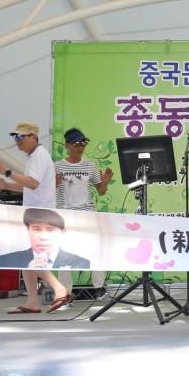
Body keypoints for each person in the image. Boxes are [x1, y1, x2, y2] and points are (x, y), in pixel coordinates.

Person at [0, 122, 71, 314]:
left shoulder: (39, 155)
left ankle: (59, 289)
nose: (17, 141)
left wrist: (8, 173)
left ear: (33, 136)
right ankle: (33, 301)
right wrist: (6, 185)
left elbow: (32, 183)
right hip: (37, 213)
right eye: (15, 137)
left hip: (40, 214)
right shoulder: (35, 156)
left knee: (29, 257)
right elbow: (29, 185)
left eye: (21, 137)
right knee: (26, 258)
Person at [54, 127, 112, 301]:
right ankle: (65, 293)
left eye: (83, 143)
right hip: (65, 215)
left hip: (87, 214)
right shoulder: (57, 166)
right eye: (77, 143)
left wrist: (105, 182)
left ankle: (99, 288)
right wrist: (54, 184)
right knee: (64, 254)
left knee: (96, 250)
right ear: (68, 145)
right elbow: (48, 191)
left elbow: (101, 191)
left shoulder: (90, 166)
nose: (81, 147)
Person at [0, 208, 91, 269]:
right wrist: (28, 270)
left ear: (63, 232)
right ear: (28, 230)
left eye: (51, 230)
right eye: (36, 229)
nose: (43, 237)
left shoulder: (81, 262)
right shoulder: (6, 260)